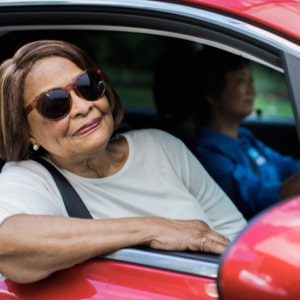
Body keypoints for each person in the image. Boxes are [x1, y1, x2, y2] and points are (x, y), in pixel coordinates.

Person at [0, 40, 246, 284]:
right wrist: (153, 229)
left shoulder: (160, 147)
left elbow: (238, 239)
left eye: (87, 86)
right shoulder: (28, 178)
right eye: (54, 104)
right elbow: (7, 243)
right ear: (26, 131)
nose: (83, 107)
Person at [193, 46, 300, 220]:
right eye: (240, 81)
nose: (252, 90)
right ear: (213, 96)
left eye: (252, 80)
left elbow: (285, 166)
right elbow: (257, 200)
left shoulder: (245, 138)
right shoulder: (208, 155)